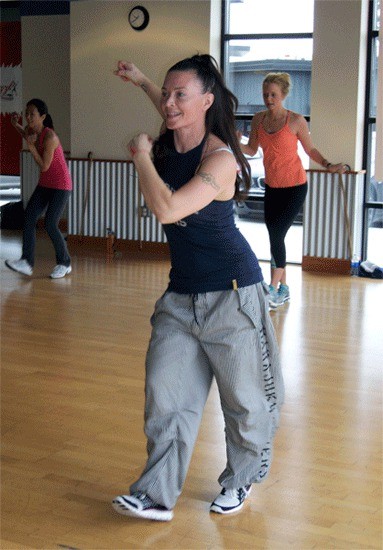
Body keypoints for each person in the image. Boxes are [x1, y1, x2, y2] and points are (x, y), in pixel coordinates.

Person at [112, 55, 284, 521]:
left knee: (245, 401)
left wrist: (142, 155)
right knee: (165, 396)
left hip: (232, 294)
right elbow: (168, 107)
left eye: (180, 94)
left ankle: (241, 479)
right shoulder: (172, 139)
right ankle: (156, 493)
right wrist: (144, 80)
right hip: (180, 296)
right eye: (166, 93)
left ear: (207, 101)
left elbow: (167, 209)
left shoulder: (220, 159)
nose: (169, 103)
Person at [241, 72, 348, 308]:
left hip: (295, 187)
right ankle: (284, 289)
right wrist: (234, 141)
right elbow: (251, 150)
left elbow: (310, 150)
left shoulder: (296, 121)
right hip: (272, 187)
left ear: (283, 95)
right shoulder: (258, 120)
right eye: (265, 94)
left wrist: (329, 165)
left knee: (277, 235)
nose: (269, 99)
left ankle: (272, 288)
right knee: (274, 237)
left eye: (273, 95)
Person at [5, 99, 72, 279]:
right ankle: (26, 262)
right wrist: (15, 125)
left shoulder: (50, 137)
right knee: (29, 218)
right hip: (45, 185)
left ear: (42, 117)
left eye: (32, 115)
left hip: (60, 186)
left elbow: (44, 166)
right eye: (26, 114)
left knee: (50, 223)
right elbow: (24, 134)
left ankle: (64, 263)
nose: (28, 117)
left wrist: (31, 146)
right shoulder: (31, 130)